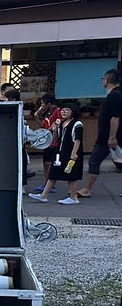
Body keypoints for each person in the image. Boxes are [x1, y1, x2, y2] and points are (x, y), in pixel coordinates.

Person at [78, 68, 122, 199]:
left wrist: (112, 137)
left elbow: (115, 117)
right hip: (111, 136)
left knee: (94, 161)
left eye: (103, 79)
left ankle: (86, 189)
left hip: (109, 137)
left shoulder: (114, 95)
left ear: (107, 80)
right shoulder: (116, 94)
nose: (102, 81)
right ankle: (86, 189)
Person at [29, 103, 82, 204]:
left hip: (70, 152)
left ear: (73, 112)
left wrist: (74, 153)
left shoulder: (77, 124)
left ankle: (73, 197)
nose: (63, 112)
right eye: (62, 110)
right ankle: (43, 195)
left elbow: (77, 139)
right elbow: (57, 139)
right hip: (60, 152)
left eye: (67, 110)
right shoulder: (62, 123)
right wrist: (54, 131)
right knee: (53, 173)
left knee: (71, 175)